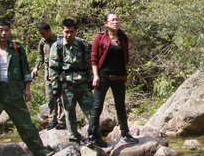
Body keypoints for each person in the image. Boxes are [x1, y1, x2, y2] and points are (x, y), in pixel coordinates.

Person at [0, 19, 52, 156]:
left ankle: (41, 152)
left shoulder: (17, 48)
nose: (4, 33)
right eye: (0, 30)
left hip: (14, 93)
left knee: (26, 125)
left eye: (6, 30)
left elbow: (25, 69)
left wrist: (27, 89)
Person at [88, 12, 139, 146]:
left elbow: (125, 57)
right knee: (97, 107)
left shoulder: (123, 38)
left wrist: (125, 73)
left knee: (120, 106)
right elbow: (94, 58)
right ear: (106, 23)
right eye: (112, 20)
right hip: (103, 76)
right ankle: (93, 136)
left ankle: (125, 134)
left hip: (119, 76)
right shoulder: (100, 38)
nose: (116, 22)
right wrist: (95, 75)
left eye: (117, 20)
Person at [49, 18, 94, 144]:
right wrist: (55, 86)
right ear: (62, 31)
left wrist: (91, 80)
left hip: (83, 83)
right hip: (67, 84)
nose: (69, 35)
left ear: (76, 31)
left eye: (72, 32)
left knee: (91, 111)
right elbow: (53, 67)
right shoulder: (57, 46)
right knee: (69, 113)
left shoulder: (82, 44)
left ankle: (93, 135)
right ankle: (73, 138)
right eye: (66, 32)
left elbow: (88, 63)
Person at [31, 23, 64, 130]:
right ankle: (52, 120)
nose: (42, 36)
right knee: (50, 98)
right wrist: (36, 68)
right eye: (40, 34)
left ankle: (62, 120)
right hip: (48, 73)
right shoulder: (42, 42)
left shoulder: (59, 40)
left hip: (59, 72)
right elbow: (40, 56)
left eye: (43, 33)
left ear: (49, 30)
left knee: (61, 97)